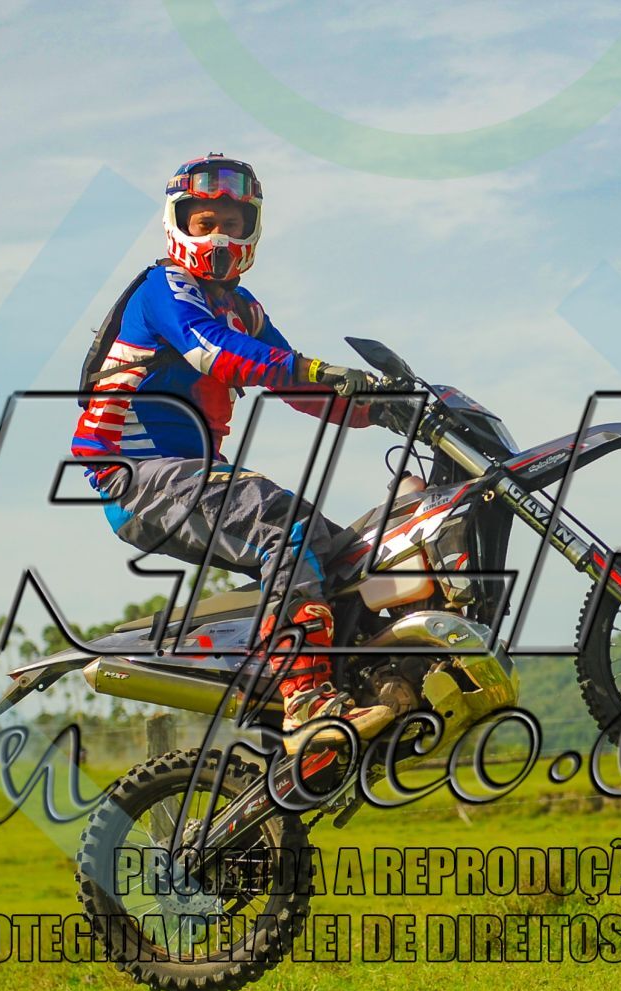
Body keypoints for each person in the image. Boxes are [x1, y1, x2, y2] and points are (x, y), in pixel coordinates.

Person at [72, 153, 393, 749]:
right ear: (178, 223)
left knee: (339, 550)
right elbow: (213, 351)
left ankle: (319, 708)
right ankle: (306, 700)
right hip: (134, 473)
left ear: (252, 230)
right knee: (284, 526)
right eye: (205, 222)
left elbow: (297, 385)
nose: (219, 235)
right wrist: (318, 369)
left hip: (193, 473)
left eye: (232, 222)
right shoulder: (163, 287)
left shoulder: (244, 309)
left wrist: (387, 409)